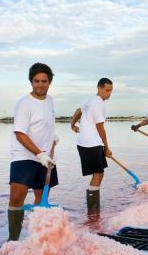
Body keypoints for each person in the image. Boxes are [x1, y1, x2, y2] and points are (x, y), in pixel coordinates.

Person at [8, 62, 58, 241]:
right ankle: (12, 240)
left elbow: (45, 123)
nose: (40, 85)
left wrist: (53, 137)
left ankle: (36, 239)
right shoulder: (24, 103)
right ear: (31, 82)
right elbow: (20, 133)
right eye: (36, 81)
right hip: (25, 156)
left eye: (44, 81)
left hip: (46, 157)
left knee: (41, 198)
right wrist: (39, 154)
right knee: (16, 198)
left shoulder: (50, 100)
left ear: (49, 82)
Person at [70, 78, 113, 210]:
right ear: (99, 88)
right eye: (107, 90)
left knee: (98, 174)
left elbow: (78, 111)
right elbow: (100, 128)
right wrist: (107, 148)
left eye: (111, 90)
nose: (109, 93)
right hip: (92, 144)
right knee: (98, 174)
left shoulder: (90, 101)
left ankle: (93, 210)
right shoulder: (98, 103)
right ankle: (93, 210)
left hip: (85, 144)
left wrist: (72, 125)